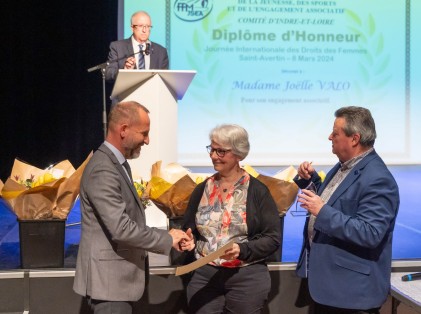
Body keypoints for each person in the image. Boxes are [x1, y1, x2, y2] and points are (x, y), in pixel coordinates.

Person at [73, 101, 193, 314]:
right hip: (109, 287)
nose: (147, 141)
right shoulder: (103, 169)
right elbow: (120, 228)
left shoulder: (117, 164)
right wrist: (167, 238)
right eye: (144, 133)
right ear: (123, 130)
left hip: (117, 285)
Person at [294, 106, 400, 314]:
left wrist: (321, 211)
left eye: (335, 133)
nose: (329, 137)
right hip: (329, 289)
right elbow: (335, 201)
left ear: (354, 139)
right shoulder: (345, 166)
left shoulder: (378, 178)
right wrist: (311, 181)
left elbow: (370, 233)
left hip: (351, 295)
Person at [181, 124, 281, 314]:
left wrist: (241, 250)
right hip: (205, 275)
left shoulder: (258, 191)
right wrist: (188, 239)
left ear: (238, 154)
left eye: (221, 151)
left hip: (246, 276)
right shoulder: (202, 189)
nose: (213, 156)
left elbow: (272, 238)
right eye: (211, 149)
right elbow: (189, 228)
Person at [105, 10, 169, 82]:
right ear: (132, 28)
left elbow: (164, 79)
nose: (144, 30)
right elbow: (108, 73)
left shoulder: (161, 51)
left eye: (148, 26)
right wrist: (124, 71)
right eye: (141, 26)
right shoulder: (118, 47)